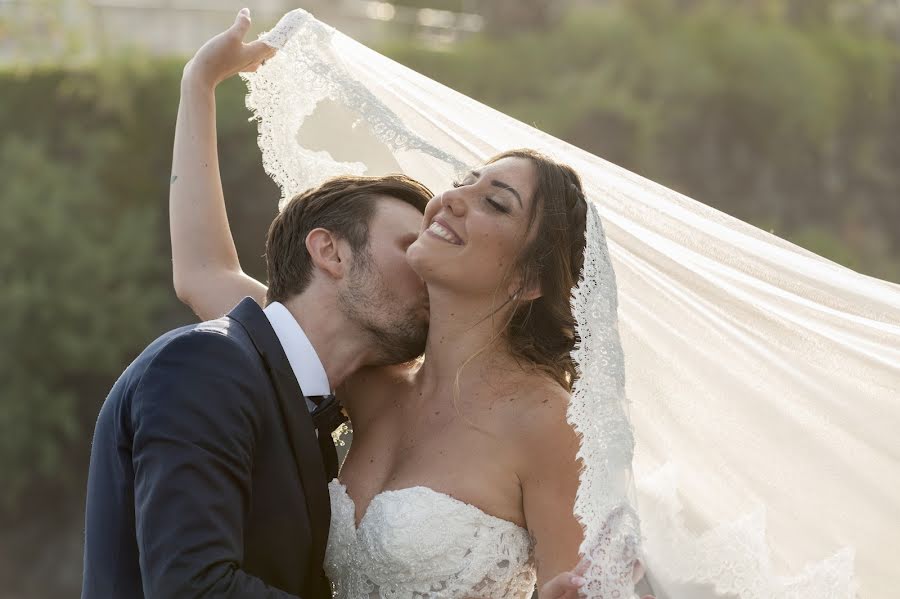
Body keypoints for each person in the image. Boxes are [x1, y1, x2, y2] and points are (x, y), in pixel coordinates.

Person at [169, 9, 649, 599]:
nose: (452, 198)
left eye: (495, 203)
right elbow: (204, 275)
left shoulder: (549, 423)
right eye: (465, 180)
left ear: (530, 281)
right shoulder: (371, 381)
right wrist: (199, 84)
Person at [81, 13, 440, 599]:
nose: (429, 264)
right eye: (409, 245)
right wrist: (198, 84)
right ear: (330, 252)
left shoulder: (311, 399)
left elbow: (204, 271)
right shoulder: (206, 364)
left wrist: (199, 85)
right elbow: (193, 589)